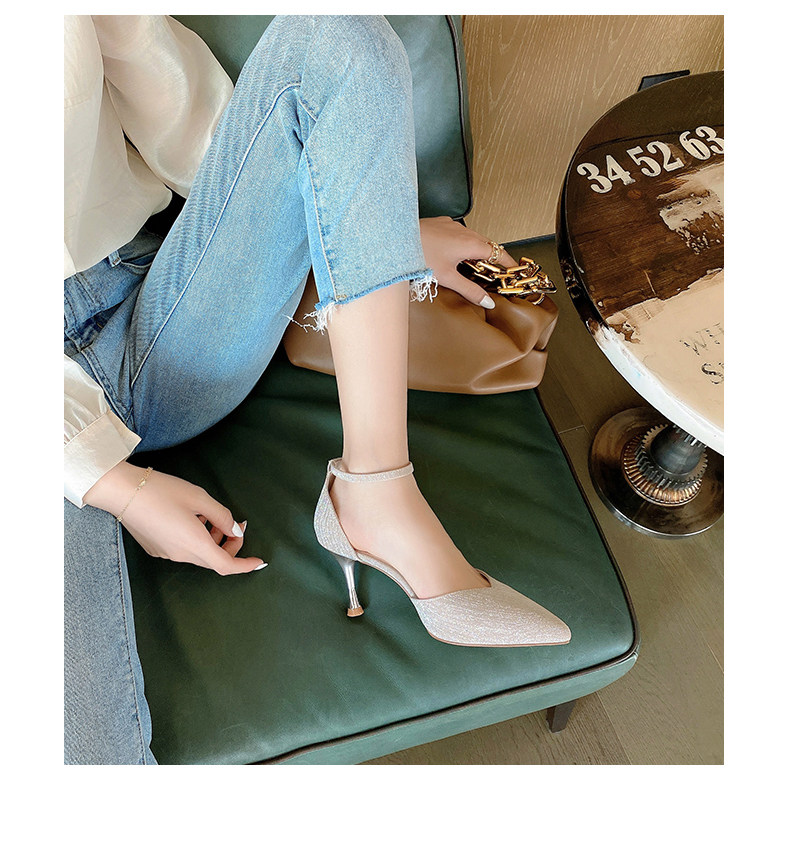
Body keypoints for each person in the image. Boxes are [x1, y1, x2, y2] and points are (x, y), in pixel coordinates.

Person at [64, 14, 570, 765]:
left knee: (337, 39)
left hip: (156, 299)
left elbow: (170, 98)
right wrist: (115, 486)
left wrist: (364, 223)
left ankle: (377, 488)